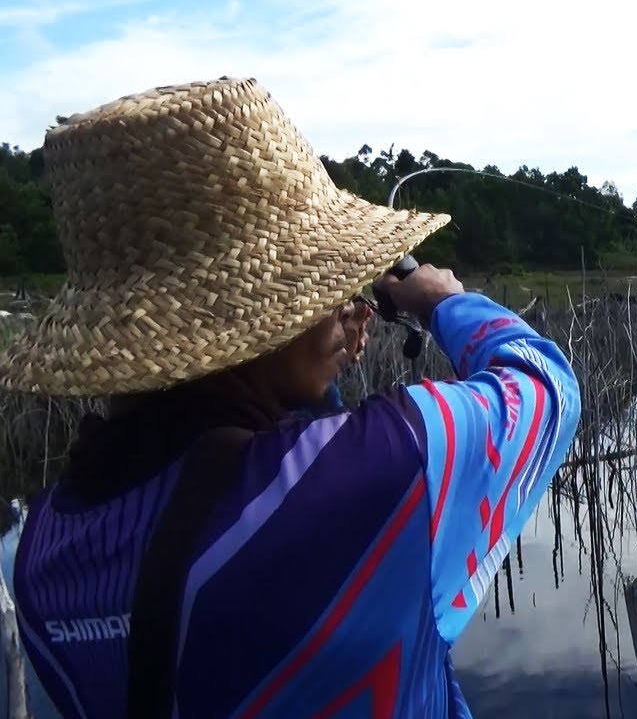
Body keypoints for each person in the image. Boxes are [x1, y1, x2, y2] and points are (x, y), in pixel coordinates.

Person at [0, 77, 581, 718]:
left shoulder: (36, 558)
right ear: (263, 319)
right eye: (325, 285)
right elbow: (544, 386)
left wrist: (311, 358)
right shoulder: (388, 466)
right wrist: (440, 298)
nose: (350, 305)